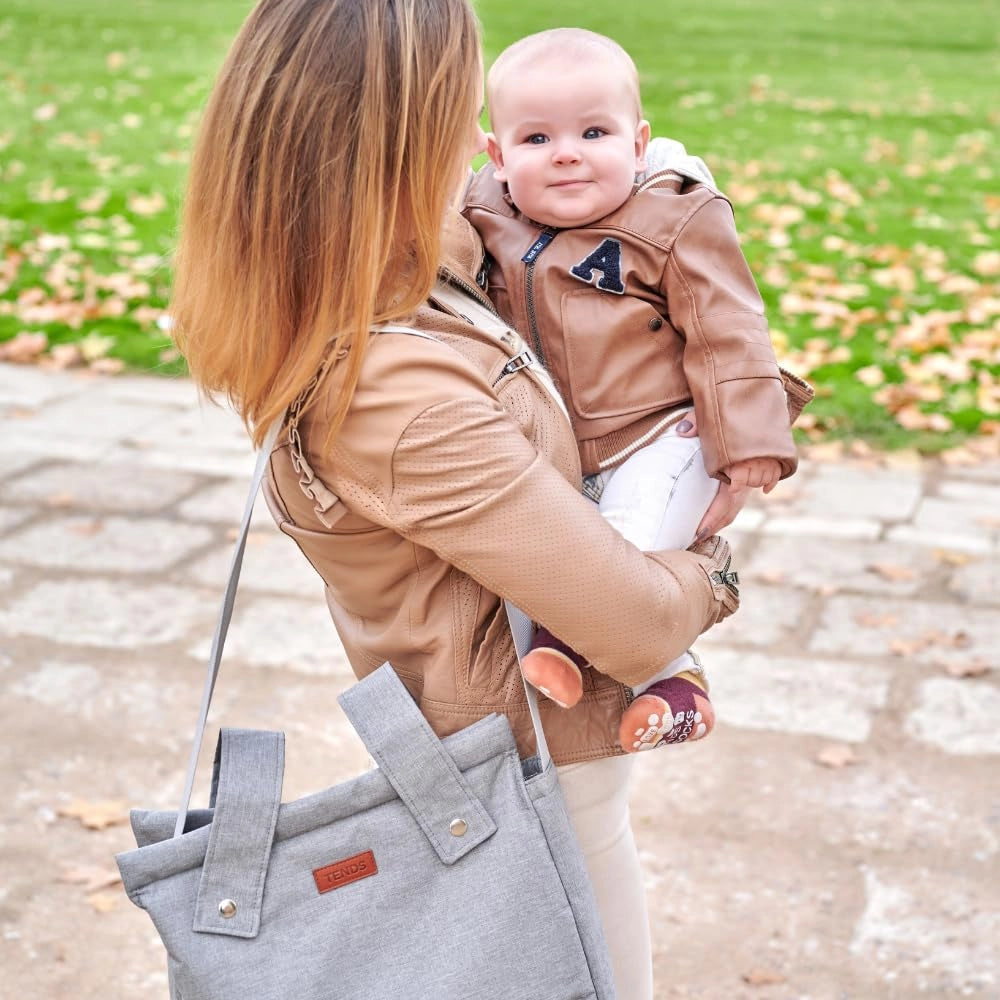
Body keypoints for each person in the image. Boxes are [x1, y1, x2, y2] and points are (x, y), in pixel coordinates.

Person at [169, 2, 741, 997]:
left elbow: (506, 233)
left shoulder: (370, 275)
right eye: (461, 111)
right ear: (406, 139)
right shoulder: (397, 392)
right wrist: (715, 563)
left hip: (512, 751)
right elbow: (634, 619)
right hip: (536, 771)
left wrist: (644, 194)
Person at [463, 27, 810, 752]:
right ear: (496, 155)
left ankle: (568, 637)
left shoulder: (672, 220)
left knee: (626, 542)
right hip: (563, 442)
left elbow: (730, 332)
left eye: (594, 131)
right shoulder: (488, 217)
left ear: (638, 141)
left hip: (663, 435)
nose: (566, 152)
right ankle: (676, 688)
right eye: (535, 138)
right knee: (566, 561)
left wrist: (745, 444)